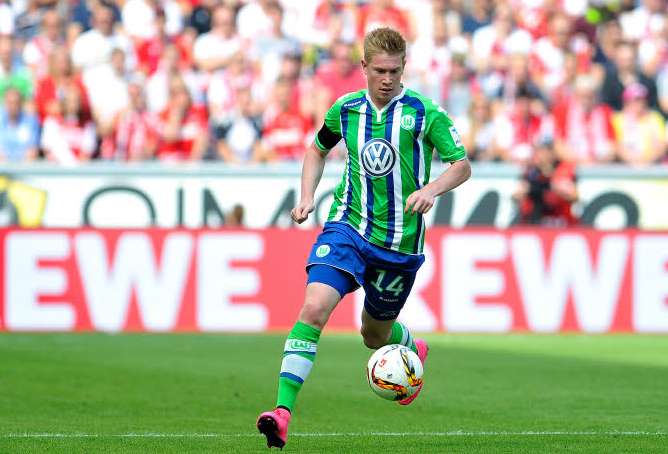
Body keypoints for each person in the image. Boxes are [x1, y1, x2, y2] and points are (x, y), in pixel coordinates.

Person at [256, 27, 471, 450]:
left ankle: (410, 345)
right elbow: (317, 149)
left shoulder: (425, 112)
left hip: (398, 245)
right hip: (348, 228)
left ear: (404, 67)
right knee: (313, 308)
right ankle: (281, 413)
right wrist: (307, 197)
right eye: (379, 71)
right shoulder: (346, 109)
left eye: (394, 71)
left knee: (373, 335)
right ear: (364, 68)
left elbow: (461, 165)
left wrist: (431, 189)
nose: (387, 79)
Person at [514, 141, 578, 227]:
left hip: (561, 221)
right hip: (536, 221)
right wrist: (525, 191)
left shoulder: (563, 170)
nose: (539, 155)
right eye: (537, 151)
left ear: (551, 153)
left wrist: (559, 188)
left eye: (542, 151)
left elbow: (574, 196)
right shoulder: (531, 173)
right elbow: (517, 195)